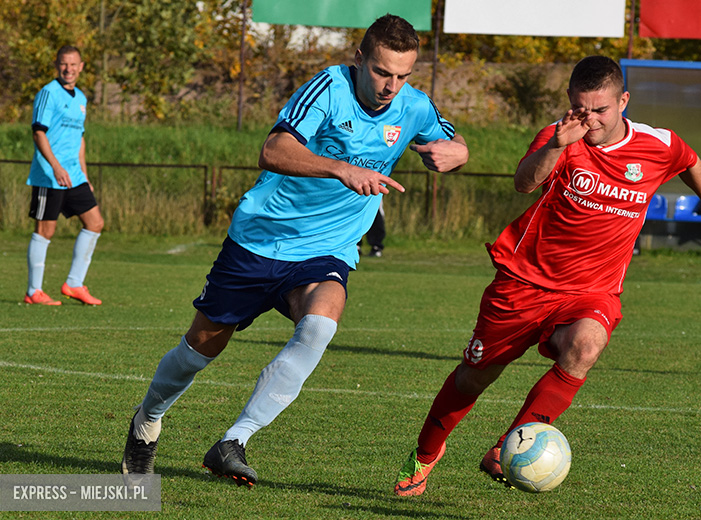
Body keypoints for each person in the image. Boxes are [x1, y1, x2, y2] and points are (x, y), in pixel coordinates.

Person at [121, 14, 469, 487]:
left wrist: (458, 152)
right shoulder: (327, 89)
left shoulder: (414, 107)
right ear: (360, 58)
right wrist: (340, 169)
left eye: (402, 75)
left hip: (328, 248)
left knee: (321, 323)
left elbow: (451, 139)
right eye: (382, 72)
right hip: (261, 240)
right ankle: (147, 419)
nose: (391, 86)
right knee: (200, 348)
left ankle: (234, 440)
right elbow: (273, 150)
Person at [393, 55, 701, 496]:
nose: (590, 119)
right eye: (581, 108)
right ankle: (423, 456)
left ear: (623, 101)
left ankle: (508, 447)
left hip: (593, 290)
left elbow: (689, 161)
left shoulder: (656, 143)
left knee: (587, 345)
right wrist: (555, 145)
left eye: (601, 109)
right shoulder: (559, 137)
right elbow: (523, 183)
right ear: (570, 101)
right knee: (474, 378)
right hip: (524, 284)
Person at [24, 45, 104, 306]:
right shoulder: (48, 93)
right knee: (45, 230)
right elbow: (38, 132)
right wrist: (56, 167)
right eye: (63, 64)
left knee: (95, 223)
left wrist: (84, 174)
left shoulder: (81, 98)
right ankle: (34, 291)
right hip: (50, 174)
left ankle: (74, 284)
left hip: (74, 175)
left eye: (73, 64)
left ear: (81, 67)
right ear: (57, 65)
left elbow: (79, 139)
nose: (68, 69)